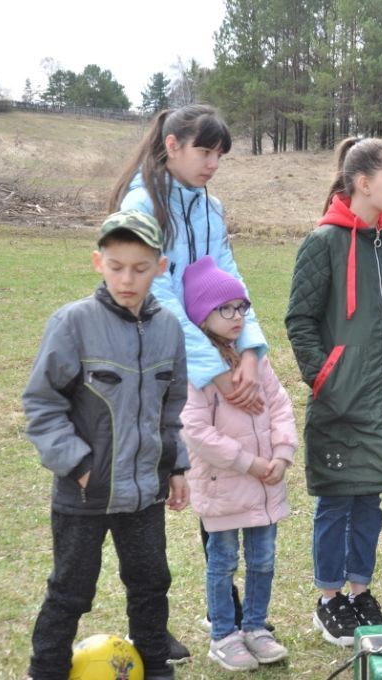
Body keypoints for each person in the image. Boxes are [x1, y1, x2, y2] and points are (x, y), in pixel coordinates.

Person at [110, 104, 269, 659]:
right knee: (151, 494)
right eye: (205, 151)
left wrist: (247, 348)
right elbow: (163, 294)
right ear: (172, 144)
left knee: (216, 482)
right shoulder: (143, 204)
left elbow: (227, 277)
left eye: (220, 154)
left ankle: (220, 607)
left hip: (209, 363)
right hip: (149, 365)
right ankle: (151, 628)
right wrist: (218, 371)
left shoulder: (210, 206)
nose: (214, 163)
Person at [22, 210, 189, 680]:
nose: (127, 278)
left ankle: (156, 667)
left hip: (144, 494)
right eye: (116, 266)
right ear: (99, 262)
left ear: (160, 267)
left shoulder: (169, 329)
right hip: (85, 493)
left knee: (152, 583)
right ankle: (46, 671)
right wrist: (78, 463)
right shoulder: (73, 323)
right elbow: (42, 402)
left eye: (140, 268)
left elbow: (172, 406)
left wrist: (175, 467)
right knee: (71, 590)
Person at [285, 137, 382, 647]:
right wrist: (327, 379)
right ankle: (328, 600)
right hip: (342, 400)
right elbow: (299, 321)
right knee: (337, 503)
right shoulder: (322, 243)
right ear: (364, 183)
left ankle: (359, 591)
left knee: (371, 502)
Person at [178, 256, 296, 670]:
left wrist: (281, 455)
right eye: (224, 309)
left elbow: (281, 406)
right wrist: (249, 463)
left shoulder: (255, 359)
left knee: (263, 559)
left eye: (241, 308)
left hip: (266, 483)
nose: (236, 317)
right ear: (200, 315)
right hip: (225, 485)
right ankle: (224, 634)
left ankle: (256, 627)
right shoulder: (199, 372)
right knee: (223, 561)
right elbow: (195, 431)